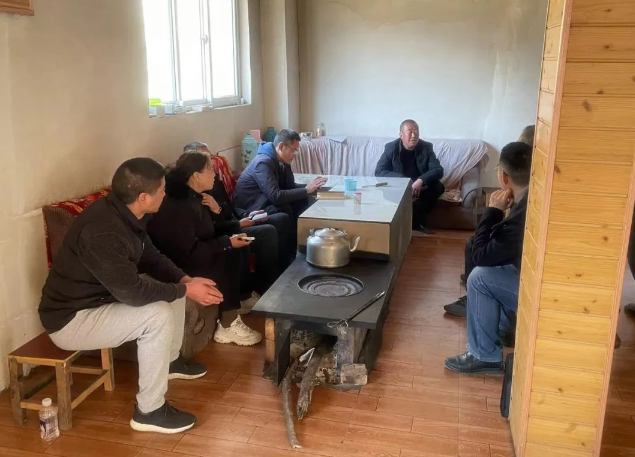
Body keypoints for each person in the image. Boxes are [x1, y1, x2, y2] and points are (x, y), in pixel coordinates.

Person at [38, 158, 223, 434]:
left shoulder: (129, 213)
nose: (165, 193)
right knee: (158, 314)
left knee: (169, 285)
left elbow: (151, 256)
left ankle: (171, 362)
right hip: (71, 319)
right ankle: (149, 411)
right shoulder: (101, 231)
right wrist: (186, 289)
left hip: (102, 299)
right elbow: (133, 293)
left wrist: (184, 280)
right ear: (143, 197)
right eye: (162, 189)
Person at [147, 152, 263, 346]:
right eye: (210, 169)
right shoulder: (179, 205)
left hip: (191, 252)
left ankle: (239, 300)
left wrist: (231, 237)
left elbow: (207, 230)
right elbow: (188, 252)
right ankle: (228, 325)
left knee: (236, 245)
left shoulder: (195, 196)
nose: (215, 174)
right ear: (195, 175)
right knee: (228, 254)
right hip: (178, 263)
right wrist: (226, 243)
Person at [444, 142, 532, 375]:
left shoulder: (525, 212)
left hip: (539, 295)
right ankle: (504, 329)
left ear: (504, 177)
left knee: (480, 277)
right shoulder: (529, 198)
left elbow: (481, 256)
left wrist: (492, 211)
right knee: (492, 264)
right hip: (533, 278)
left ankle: (484, 356)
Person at [444, 125, 536, 318]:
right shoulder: (527, 194)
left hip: (522, 278)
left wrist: (493, 210)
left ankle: (474, 296)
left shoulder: (526, 204)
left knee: (478, 266)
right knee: (473, 244)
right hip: (518, 261)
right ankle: (472, 284)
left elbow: (482, 254)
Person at [182, 142, 293, 282]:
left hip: (237, 219)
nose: (212, 164)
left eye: (210, 157)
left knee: (282, 218)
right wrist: (236, 222)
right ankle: (266, 282)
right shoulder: (194, 196)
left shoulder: (214, 181)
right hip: (229, 229)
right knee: (268, 232)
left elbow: (230, 206)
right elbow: (214, 228)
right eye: (206, 159)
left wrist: (245, 215)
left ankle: (283, 267)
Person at [233, 129, 327, 265]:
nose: (295, 155)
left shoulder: (281, 160)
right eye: (294, 150)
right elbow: (275, 196)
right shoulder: (263, 163)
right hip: (250, 208)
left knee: (301, 200)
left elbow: (288, 186)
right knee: (285, 208)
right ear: (282, 146)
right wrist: (306, 190)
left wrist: (309, 188)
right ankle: (284, 260)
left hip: (264, 200)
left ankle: (296, 250)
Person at [375, 119, 445, 234]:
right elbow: (379, 171)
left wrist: (421, 180)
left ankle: (415, 218)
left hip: (420, 188)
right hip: (399, 187)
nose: (414, 135)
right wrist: (405, 181)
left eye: (416, 131)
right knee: (386, 189)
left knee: (438, 187)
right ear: (401, 135)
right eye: (410, 132)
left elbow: (438, 170)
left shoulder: (426, 147)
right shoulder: (391, 148)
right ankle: (414, 221)